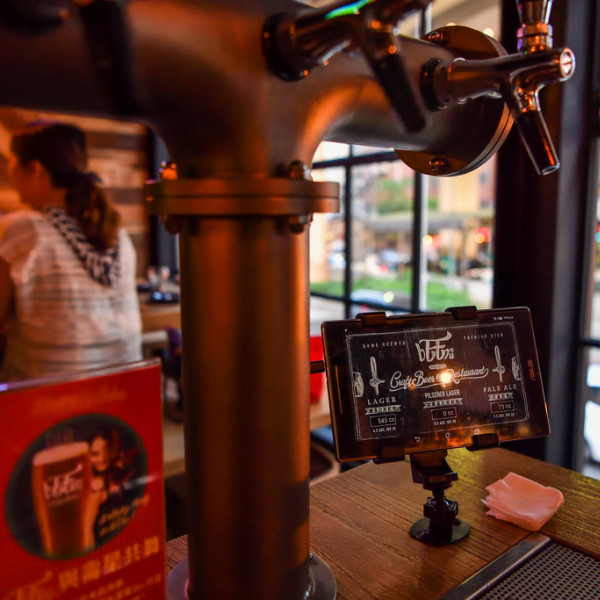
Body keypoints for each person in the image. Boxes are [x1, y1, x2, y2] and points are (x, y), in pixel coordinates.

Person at [0, 120, 142, 380]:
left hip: (50, 401)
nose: (9, 171)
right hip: (124, 395)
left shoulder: (24, 230)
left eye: (12, 161)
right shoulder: (117, 232)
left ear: (35, 169)